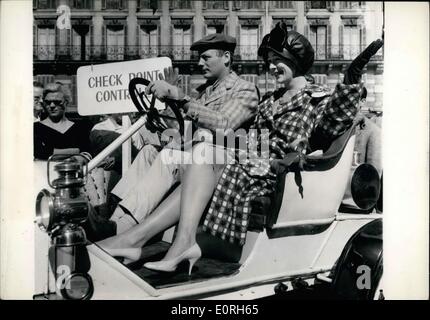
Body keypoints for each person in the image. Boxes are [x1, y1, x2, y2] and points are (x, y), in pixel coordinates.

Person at [98, 23, 380, 274]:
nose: (270, 67)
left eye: (277, 61)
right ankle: (146, 240)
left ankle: (145, 240)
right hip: (251, 162)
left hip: (279, 172)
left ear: (293, 61)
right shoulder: (270, 99)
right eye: (269, 61)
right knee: (202, 154)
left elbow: (331, 125)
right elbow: (249, 137)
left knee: (206, 154)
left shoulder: (317, 98)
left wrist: (351, 81)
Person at [91, 33, 259, 237]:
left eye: (205, 57)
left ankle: (123, 228)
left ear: (225, 57)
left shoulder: (245, 89)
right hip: (197, 157)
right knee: (149, 152)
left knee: (169, 157)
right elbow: (182, 128)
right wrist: (159, 111)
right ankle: (113, 219)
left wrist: (179, 96)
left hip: (224, 165)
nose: (199, 63)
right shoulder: (205, 92)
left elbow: (224, 123)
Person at [33, 82, 93, 160]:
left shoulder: (79, 128)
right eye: (48, 102)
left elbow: (88, 151)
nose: (52, 106)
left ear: (66, 102)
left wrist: (80, 157)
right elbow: (41, 152)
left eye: (57, 102)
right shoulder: (36, 128)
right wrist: (77, 151)